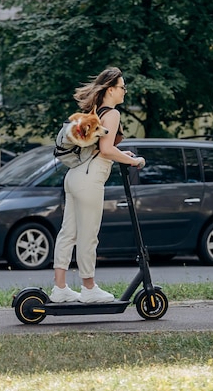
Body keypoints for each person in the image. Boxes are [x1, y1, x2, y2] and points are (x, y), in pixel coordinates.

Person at [50, 67, 146, 303]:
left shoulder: (95, 111)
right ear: (111, 89)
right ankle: (89, 287)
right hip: (89, 180)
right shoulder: (112, 114)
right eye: (123, 87)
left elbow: (100, 149)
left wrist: (121, 153)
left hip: (74, 176)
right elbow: (105, 150)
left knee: (68, 233)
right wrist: (134, 160)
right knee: (88, 234)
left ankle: (60, 287)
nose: (125, 91)